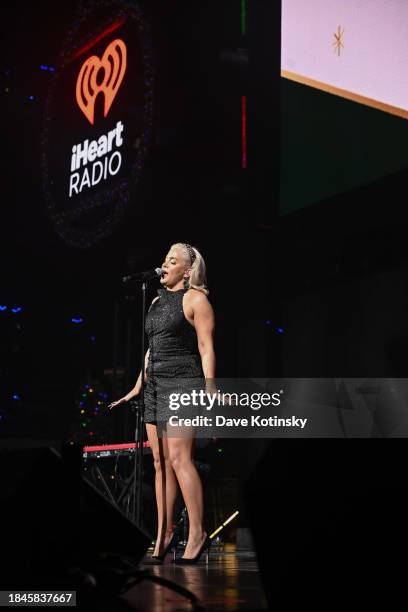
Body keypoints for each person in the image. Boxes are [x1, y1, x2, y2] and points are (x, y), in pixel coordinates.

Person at [108, 243, 215, 564]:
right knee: (159, 462)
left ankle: (197, 532)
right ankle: (165, 532)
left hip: (183, 381)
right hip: (154, 385)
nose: (164, 264)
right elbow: (151, 349)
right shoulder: (154, 300)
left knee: (181, 459)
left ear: (188, 270)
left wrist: (209, 385)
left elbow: (206, 345)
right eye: (164, 259)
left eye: (173, 260)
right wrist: (136, 387)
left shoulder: (196, 299)